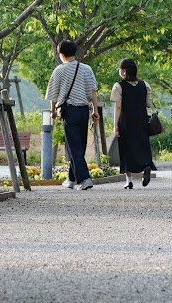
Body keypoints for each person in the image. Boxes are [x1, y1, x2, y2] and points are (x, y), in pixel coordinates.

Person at [46, 38, 100, 189]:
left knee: (74, 146)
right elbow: (93, 91)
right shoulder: (86, 69)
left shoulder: (59, 70)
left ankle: (84, 179)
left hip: (69, 111)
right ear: (75, 52)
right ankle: (71, 178)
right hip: (84, 111)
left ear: (61, 54)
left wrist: (53, 112)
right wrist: (95, 110)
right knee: (78, 145)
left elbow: (53, 95)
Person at [112, 57, 156, 188]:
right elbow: (148, 104)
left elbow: (118, 106)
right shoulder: (144, 84)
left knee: (126, 149)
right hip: (142, 121)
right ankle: (147, 166)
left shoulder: (119, 86)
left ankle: (129, 180)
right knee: (142, 146)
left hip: (126, 122)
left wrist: (115, 126)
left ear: (124, 71)